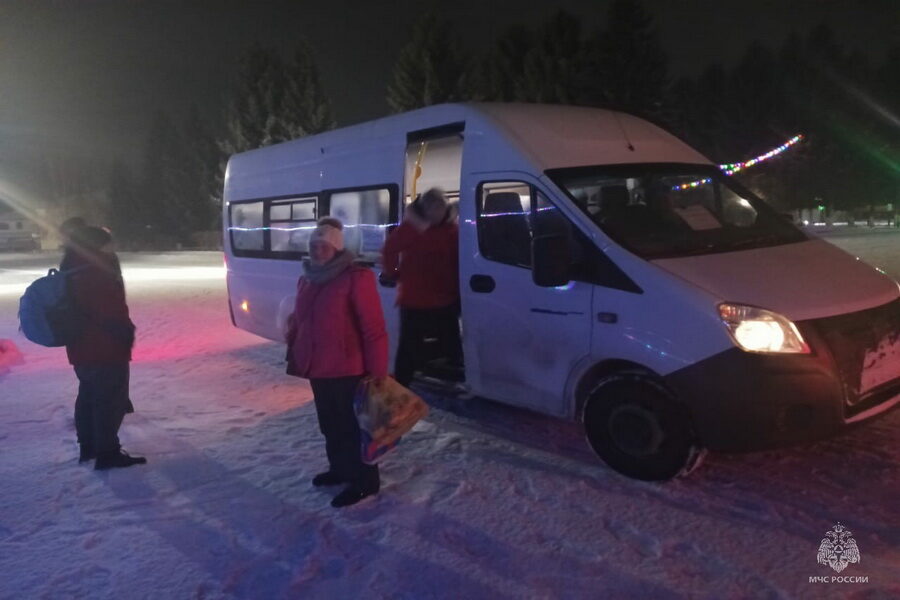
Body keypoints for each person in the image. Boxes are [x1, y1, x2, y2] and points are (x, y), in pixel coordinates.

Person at [286, 217, 388, 508]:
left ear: (337, 248)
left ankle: (365, 481)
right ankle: (340, 469)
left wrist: (378, 373)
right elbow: (302, 319)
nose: (318, 250)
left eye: (324, 246)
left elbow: (374, 329)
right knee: (329, 425)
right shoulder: (307, 277)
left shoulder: (355, 278)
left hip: (349, 368)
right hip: (318, 367)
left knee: (353, 428)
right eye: (314, 245)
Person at [64, 226, 145, 470]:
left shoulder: (72, 265)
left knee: (88, 395)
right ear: (95, 245)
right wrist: (125, 333)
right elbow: (109, 311)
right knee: (109, 401)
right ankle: (107, 453)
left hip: (80, 347)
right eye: (107, 243)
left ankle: (89, 446)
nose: (113, 247)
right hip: (105, 348)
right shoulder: (96, 270)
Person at [381, 187, 462, 387]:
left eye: (438, 209)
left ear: (444, 209)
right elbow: (389, 250)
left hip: (446, 296)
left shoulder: (453, 229)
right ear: (424, 209)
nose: (435, 214)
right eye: (431, 210)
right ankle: (401, 386)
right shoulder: (412, 228)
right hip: (415, 300)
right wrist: (394, 274)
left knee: (451, 343)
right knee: (409, 348)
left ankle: (452, 377)